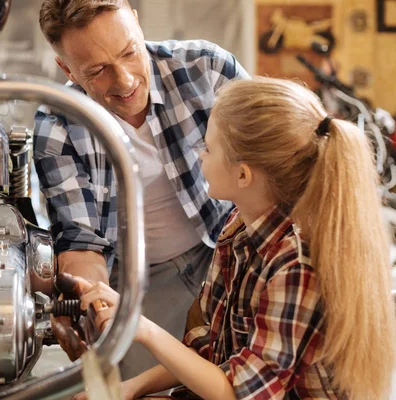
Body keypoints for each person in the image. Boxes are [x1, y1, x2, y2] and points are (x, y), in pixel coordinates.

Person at [75, 77, 396, 399]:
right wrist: (131, 388)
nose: (200, 155)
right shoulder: (239, 226)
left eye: (209, 148)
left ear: (243, 174)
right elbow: (214, 351)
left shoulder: (296, 265)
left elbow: (240, 393)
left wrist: (141, 326)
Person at [34, 0, 249, 379]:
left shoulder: (207, 69)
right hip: (134, 282)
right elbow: (81, 242)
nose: (126, 80)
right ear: (67, 69)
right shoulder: (58, 125)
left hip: (226, 254)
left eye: (130, 52)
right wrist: (91, 303)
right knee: (142, 386)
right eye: (98, 71)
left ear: (135, 21)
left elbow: (274, 163)